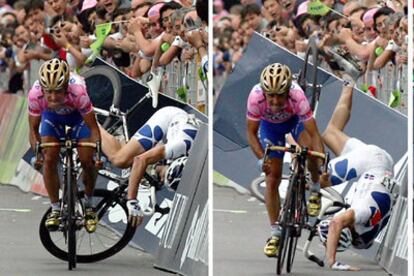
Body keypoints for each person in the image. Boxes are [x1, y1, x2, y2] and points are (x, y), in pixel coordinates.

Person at [246, 62, 325, 258]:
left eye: (279, 95)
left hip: (295, 122)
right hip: (270, 128)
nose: (274, 101)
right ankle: (275, 233)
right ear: (264, 92)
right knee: (272, 179)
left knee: (309, 153)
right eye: (270, 95)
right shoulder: (255, 97)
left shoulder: (297, 96)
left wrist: (321, 159)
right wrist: (260, 159)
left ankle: (315, 188)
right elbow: (251, 133)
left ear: (288, 91)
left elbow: (313, 132)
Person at [318, 80, 394, 271]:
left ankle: (349, 81)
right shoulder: (361, 214)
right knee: (319, 178)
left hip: (382, 165)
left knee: (330, 133)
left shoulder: (364, 237)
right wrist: (332, 260)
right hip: (372, 162)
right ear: (345, 231)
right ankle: (290, 135)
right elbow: (336, 223)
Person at [28, 58, 101, 233]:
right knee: (49, 157)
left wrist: (97, 154)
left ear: (67, 86)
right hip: (52, 119)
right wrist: (38, 154)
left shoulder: (79, 92)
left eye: (58, 92)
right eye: (49, 92)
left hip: (78, 119)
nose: (53, 97)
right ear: (43, 89)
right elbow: (33, 129)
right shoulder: (35, 95)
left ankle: (89, 206)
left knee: (86, 159)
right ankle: (54, 208)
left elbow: (93, 127)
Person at [99, 106, 199, 227]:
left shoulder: (189, 164)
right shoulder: (178, 148)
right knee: (120, 160)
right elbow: (140, 160)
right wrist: (132, 200)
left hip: (178, 132)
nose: (161, 180)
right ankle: (90, 123)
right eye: (163, 176)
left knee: (140, 165)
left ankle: (122, 143)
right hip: (167, 118)